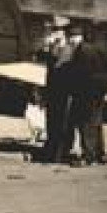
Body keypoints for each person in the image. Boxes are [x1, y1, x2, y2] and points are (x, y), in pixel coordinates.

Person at [65, 22, 107, 166]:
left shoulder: (81, 51)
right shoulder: (95, 48)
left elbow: (80, 74)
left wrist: (72, 89)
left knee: (85, 123)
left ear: (74, 37)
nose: (69, 41)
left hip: (87, 92)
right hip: (99, 90)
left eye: (70, 37)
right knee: (96, 123)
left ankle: (88, 157)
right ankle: (100, 154)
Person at [41, 17, 76, 164]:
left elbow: (60, 66)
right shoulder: (53, 46)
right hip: (52, 90)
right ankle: (51, 148)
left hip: (65, 91)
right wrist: (46, 47)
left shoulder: (70, 48)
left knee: (63, 122)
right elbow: (43, 60)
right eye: (53, 29)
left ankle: (61, 152)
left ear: (64, 32)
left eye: (56, 30)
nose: (53, 32)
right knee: (52, 120)